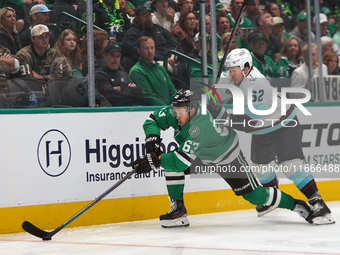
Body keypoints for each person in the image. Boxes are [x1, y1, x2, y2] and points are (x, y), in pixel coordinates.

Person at [132, 89, 320, 228]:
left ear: (192, 109)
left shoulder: (199, 127)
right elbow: (152, 120)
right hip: (202, 155)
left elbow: (180, 161)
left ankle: (297, 205)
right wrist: (152, 143)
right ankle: (178, 210)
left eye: (181, 111)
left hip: (227, 156)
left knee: (255, 196)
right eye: (176, 110)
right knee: (170, 165)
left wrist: (153, 161)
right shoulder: (180, 113)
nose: (177, 115)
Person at [217, 48, 334, 225]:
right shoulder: (232, 75)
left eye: (234, 69)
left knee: (291, 166)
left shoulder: (256, 85)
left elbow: (249, 122)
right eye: (229, 69)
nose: (231, 73)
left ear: (246, 68)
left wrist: (223, 117)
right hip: (263, 127)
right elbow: (220, 95)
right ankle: (273, 196)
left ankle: (318, 204)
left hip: (282, 123)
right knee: (260, 166)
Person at [121, 4, 182, 73]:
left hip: (171, 57)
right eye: (144, 15)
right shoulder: (132, 33)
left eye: (149, 15)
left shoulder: (157, 28)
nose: (148, 18)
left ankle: (194, 83)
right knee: (167, 68)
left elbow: (174, 41)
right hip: (150, 62)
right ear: (136, 18)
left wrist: (177, 55)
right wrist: (164, 58)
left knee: (190, 65)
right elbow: (138, 53)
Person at [129, 36, 177, 105]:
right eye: (146, 48)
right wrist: (168, 110)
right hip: (153, 112)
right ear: (139, 51)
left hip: (169, 110)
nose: (150, 51)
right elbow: (149, 98)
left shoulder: (160, 68)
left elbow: (172, 91)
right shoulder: (137, 71)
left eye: (152, 48)